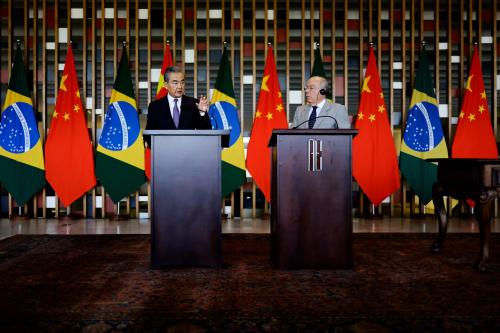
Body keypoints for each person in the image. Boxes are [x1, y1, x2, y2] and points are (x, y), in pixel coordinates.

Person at [145, 66, 212, 145]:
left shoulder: (194, 104)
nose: (180, 86)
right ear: (166, 85)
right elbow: (148, 136)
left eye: (182, 82)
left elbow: (206, 133)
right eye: (175, 83)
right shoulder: (155, 107)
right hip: (164, 154)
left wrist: (202, 112)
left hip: (189, 153)